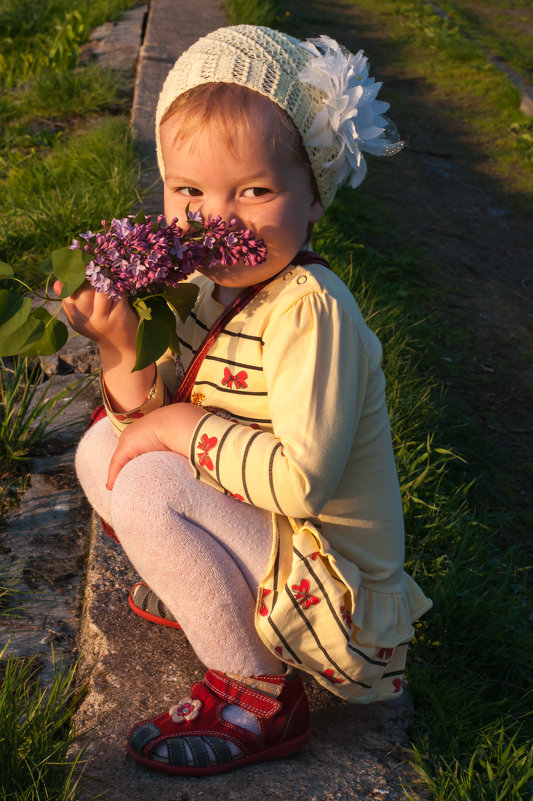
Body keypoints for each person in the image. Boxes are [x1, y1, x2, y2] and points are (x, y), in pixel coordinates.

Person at [58, 25, 432, 776]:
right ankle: (214, 591)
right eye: (188, 191)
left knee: (150, 475)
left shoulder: (310, 313)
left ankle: (257, 689)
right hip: (273, 541)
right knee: (103, 446)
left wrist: (180, 421)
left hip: (338, 593)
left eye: (253, 191)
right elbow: (140, 423)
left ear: (312, 194)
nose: (215, 219)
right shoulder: (206, 285)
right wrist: (122, 350)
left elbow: (299, 482)